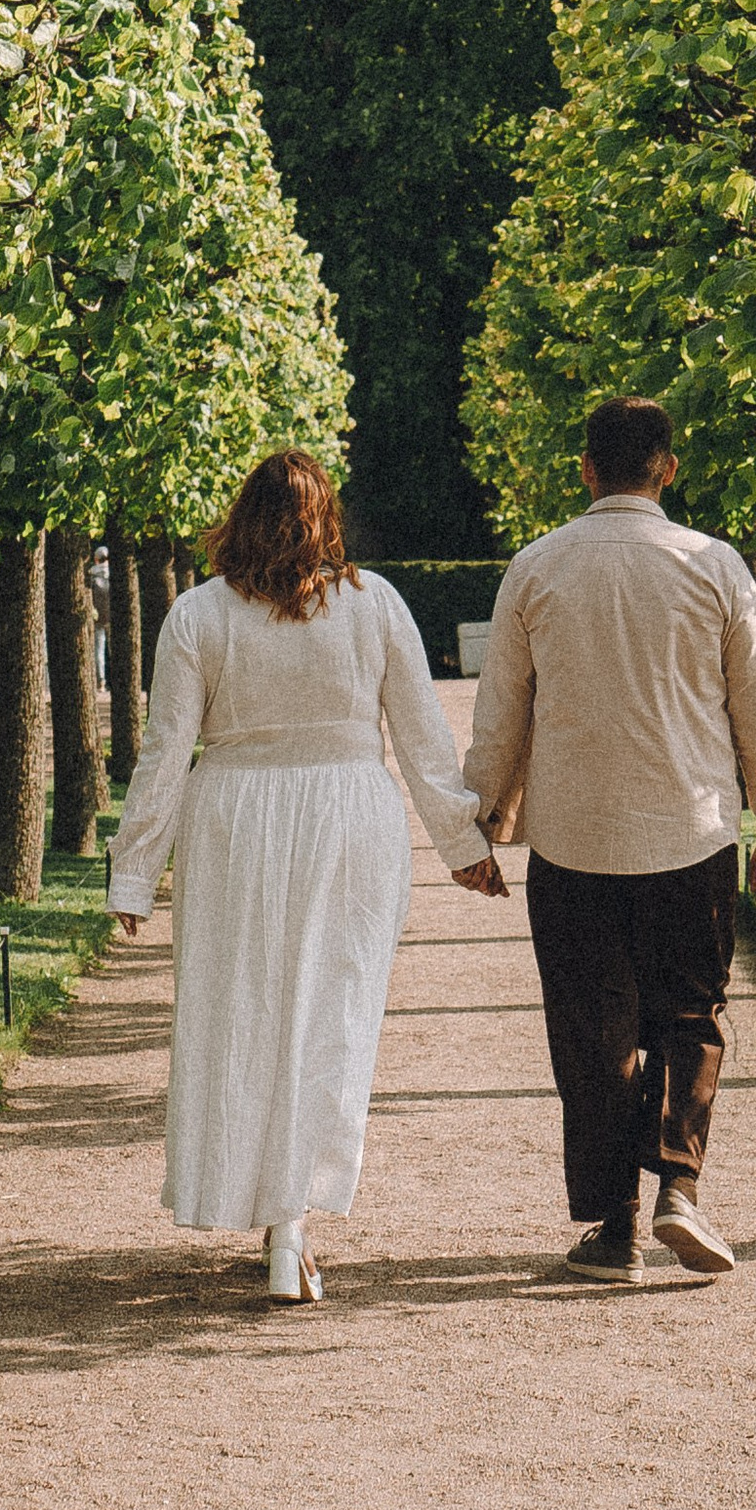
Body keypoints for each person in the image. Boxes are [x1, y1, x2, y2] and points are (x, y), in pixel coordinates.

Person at [108, 450, 506, 1303]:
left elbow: (164, 753)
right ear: (327, 520)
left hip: (235, 820)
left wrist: (134, 873)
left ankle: (279, 1217)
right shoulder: (375, 604)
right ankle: (290, 1226)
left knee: (241, 1011)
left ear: (240, 517)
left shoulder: (198, 614)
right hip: (349, 816)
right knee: (334, 1012)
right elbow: (424, 740)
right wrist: (463, 844)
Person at [462, 396, 756, 1286]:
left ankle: (614, 1231)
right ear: (668, 470)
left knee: (592, 1032)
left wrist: (478, 827)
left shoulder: (536, 568)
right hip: (691, 832)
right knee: (692, 1015)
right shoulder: (716, 567)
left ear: (585, 470)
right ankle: (679, 1187)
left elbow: (501, 715)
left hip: (573, 841)